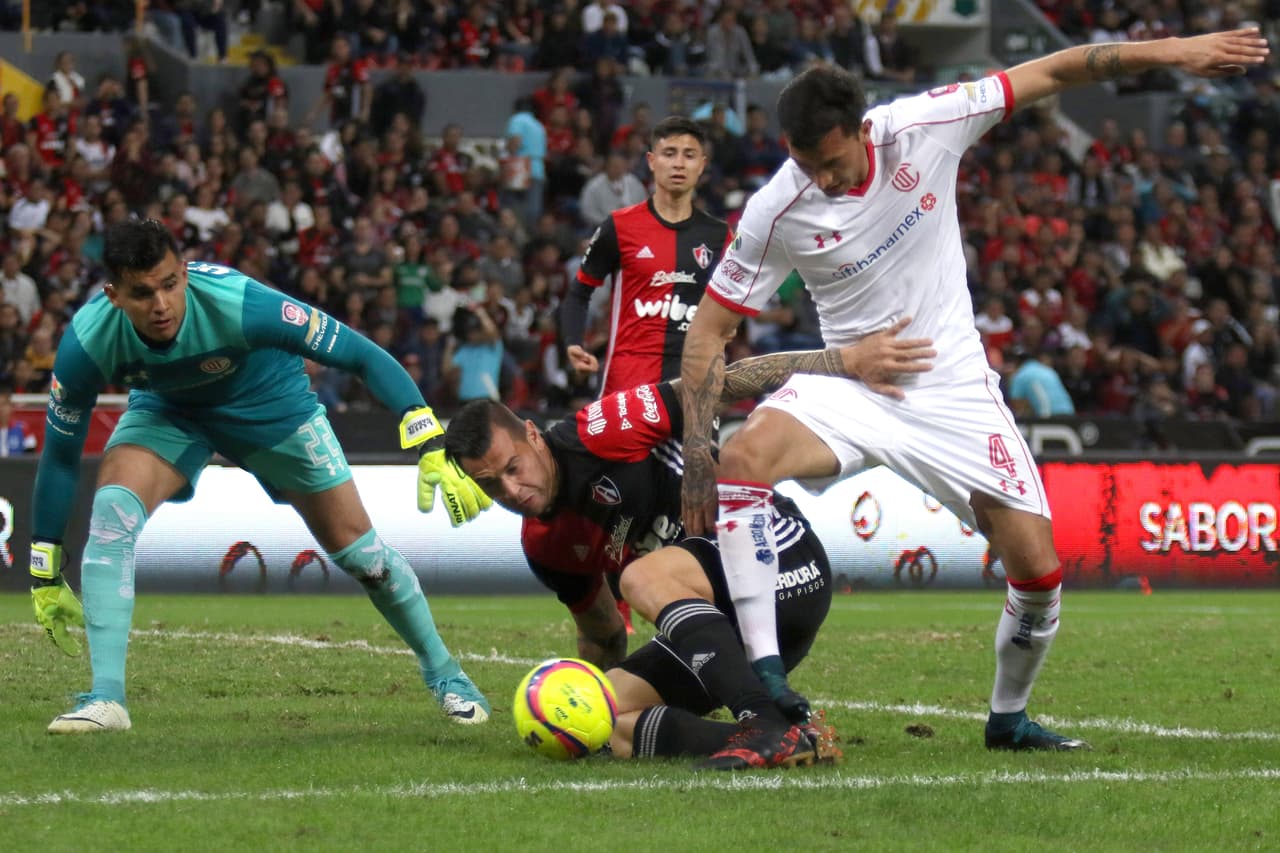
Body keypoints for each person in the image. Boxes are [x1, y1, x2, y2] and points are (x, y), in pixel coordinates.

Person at [678, 28, 1270, 750]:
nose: (821, 180)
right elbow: (706, 336)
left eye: (831, 162)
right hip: (853, 379)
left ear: (863, 131)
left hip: (954, 387)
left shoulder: (930, 125)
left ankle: (1008, 717)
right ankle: (765, 682)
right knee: (744, 458)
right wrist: (698, 458)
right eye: (806, 163)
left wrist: (1176, 52)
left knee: (1039, 567)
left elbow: (1054, 69)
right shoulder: (777, 208)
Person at [27, 220, 493, 734]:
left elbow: (361, 354)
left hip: (273, 407)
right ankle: (106, 699)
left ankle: (447, 675)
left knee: (364, 557)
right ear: (113, 295)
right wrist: (44, 565)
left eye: (168, 285)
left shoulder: (240, 303)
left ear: (183, 272)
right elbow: (62, 455)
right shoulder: (86, 342)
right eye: (141, 293)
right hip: (168, 412)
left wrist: (427, 437)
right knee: (111, 514)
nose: (160, 304)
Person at [445, 344, 893, 768]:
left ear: (531, 434)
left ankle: (763, 719)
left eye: (512, 469)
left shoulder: (600, 429)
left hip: (783, 561)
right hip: (719, 628)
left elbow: (720, 382)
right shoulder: (544, 545)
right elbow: (601, 635)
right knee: (604, 721)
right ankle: (796, 740)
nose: (512, 492)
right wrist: (581, 706)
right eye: (490, 486)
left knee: (638, 577)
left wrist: (841, 360)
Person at [563, 117, 728, 398]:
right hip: (626, 388)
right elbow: (579, 292)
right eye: (669, 154)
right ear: (651, 161)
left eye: (689, 156)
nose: (678, 163)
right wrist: (574, 343)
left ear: (702, 164)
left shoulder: (719, 236)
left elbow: (734, 304)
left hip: (693, 390)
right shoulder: (619, 226)